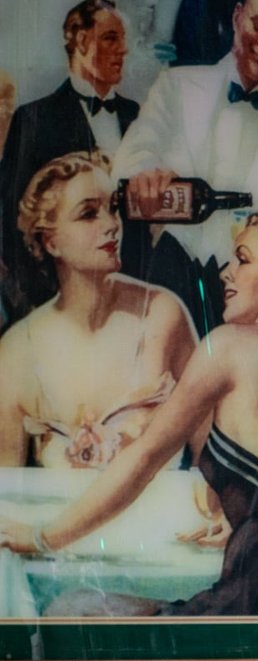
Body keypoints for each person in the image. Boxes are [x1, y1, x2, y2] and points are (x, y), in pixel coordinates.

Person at [2, 212, 258, 616]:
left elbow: (142, 459)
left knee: (72, 610)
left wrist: (43, 538)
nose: (226, 273)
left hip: (247, 597)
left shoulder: (229, 347)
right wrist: (242, 511)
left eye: (242, 259)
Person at [116, 0, 258, 339]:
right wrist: (147, 173)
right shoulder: (178, 85)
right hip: (174, 272)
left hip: (255, 295)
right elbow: (134, 153)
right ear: (237, 16)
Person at [0, 150, 197, 470]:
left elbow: (215, 465)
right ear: (50, 242)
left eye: (114, 209)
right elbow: (5, 498)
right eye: (88, 214)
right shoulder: (16, 352)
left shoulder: (162, 314)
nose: (111, 225)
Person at [1, 0, 139, 322]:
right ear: (80, 41)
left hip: (132, 304)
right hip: (60, 304)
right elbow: (12, 223)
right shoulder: (35, 118)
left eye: (122, 39)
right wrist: (39, 303)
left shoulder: (138, 117)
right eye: (110, 38)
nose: (123, 50)